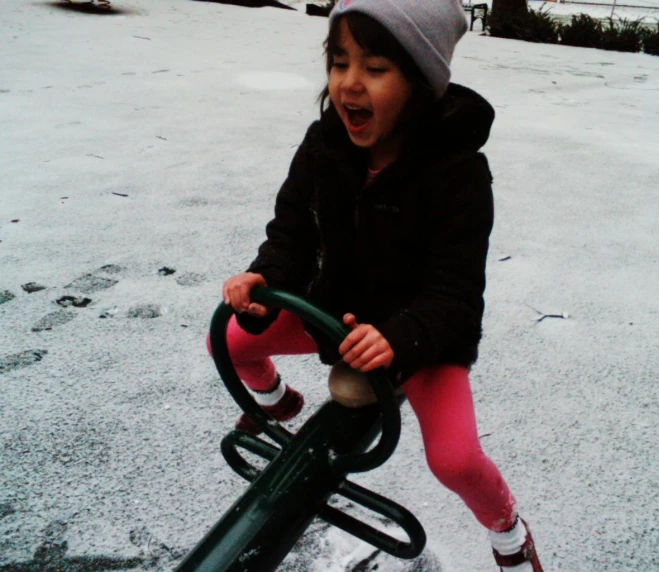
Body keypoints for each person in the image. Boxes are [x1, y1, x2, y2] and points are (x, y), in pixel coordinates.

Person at [212, 0, 542, 569]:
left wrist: (402, 338)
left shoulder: (456, 174)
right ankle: (277, 401)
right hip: (333, 313)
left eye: (375, 68)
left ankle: (508, 531)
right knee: (236, 341)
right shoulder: (324, 146)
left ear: (418, 79)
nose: (349, 84)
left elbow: (455, 295)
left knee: (455, 458)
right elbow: (292, 232)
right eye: (339, 62)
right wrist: (266, 276)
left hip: (421, 338)